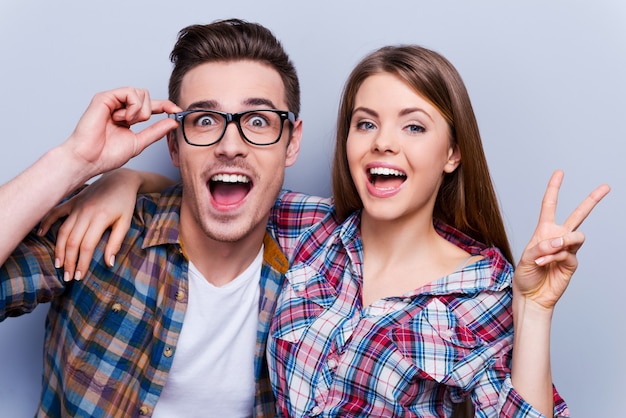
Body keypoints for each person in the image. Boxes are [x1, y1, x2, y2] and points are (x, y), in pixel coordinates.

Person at [44, 46, 609, 416]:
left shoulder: (483, 290)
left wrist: (535, 311)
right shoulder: (314, 235)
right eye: (367, 123)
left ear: (453, 152)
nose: (383, 141)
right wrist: (120, 179)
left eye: (413, 125)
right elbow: (221, 186)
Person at [0, 18, 335, 417]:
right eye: (205, 121)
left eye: (258, 121)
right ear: (174, 145)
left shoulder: (320, 246)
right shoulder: (103, 233)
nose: (231, 146)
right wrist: (75, 162)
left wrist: (136, 178)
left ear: (291, 141)